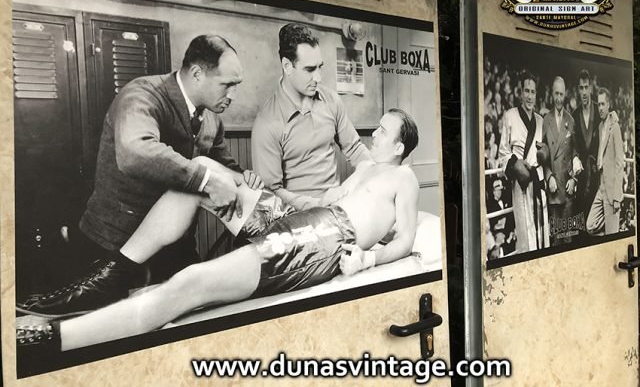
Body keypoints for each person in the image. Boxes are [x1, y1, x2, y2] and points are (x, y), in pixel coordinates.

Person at [17, 109, 420, 352]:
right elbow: (322, 199)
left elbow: (404, 240)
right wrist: (259, 189)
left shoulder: (403, 178)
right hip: (302, 216)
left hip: (325, 238)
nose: (374, 134)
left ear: (400, 147)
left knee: (190, 281)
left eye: (383, 131)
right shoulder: (367, 169)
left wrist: (370, 258)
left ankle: (55, 337)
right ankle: (117, 272)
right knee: (202, 173)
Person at [17, 35, 263, 316]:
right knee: (104, 330)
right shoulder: (142, 94)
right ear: (197, 74)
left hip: (173, 249)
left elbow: (223, 164)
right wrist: (207, 180)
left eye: (236, 85)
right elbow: (136, 152)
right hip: (112, 247)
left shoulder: (211, 118)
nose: (233, 95)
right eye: (227, 84)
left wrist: (243, 177)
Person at [251, 23, 372, 211]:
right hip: (297, 218)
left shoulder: (331, 100)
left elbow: (355, 148)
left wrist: (373, 167)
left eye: (320, 67)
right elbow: (271, 193)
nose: (318, 78)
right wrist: (318, 204)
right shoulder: (266, 123)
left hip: (337, 209)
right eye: (309, 69)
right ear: (287, 66)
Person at [498, 71, 548, 253]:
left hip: (538, 180)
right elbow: (503, 152)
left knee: (542, 232)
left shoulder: (540, 121)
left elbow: (544, 153)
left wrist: (544, 153)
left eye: (533, 92)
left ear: (536, 95)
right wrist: (516, 164)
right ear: (520, 93)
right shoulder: (510, 116)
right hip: (521, 183)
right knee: (525, 232)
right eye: (526, 91)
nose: (529, 96)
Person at [541, 77, 581, 246]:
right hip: (554, 188)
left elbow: (575, 152)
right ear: (552, 94)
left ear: (565, 95)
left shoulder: (571, 120)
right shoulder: (545, 120)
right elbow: (542, 154)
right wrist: (549, 176)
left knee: (568, 239)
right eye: (556, 94)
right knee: (556, 240)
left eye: (561, 94)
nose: (558, 98)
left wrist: (574, 179)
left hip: (567, 188)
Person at [586, 88, 624, 236]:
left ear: (609, 105)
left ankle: (614, 224)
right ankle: (613, 224)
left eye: (603, 104)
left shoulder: (615, 127)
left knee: (612, 236)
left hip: (611, 190)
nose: (600, 108)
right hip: (601, 187)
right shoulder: (601, 126)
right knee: (590, 225)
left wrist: (617, 197)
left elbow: (619, 163)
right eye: (599, 104)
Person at [573, 69, 600, 219]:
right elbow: (573, 146)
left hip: (597, 175)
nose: (584, 92)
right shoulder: (574, 115)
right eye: (581, 88)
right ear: (578, 90)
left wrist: (614, 116)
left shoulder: (599, 110)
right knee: (582, 220)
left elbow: (610, 119)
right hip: (582, 177)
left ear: (590, 88)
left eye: (586, 87)